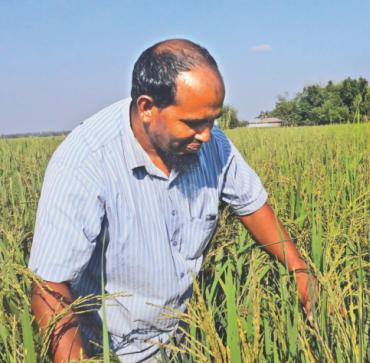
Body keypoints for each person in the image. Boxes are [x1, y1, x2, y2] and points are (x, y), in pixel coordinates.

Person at [28, 39, 316, 362]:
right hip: (111, 350)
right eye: (193, 123)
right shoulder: (86, 162)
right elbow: (49, 286)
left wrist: (299, 270)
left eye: (213, 120)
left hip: (186, 340)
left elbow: (251, 204)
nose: (206, 135)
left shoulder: (211, 143)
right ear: (147, 108)